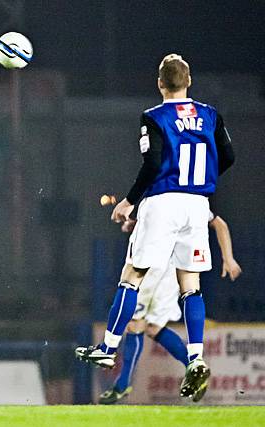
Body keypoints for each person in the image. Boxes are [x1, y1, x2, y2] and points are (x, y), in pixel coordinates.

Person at [75, 54, 235, 400]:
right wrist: (201, 180)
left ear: (160, 83)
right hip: (197, 204)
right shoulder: (210, 115)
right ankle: (195, 358)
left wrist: (129, 201)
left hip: (163, 202)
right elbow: (229, 156)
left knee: (131, 276)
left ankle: (108, 346)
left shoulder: (155, 117)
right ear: (188, 80)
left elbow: (152, 164)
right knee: (191, 286)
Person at [99, 212, 242, 404]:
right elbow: (219, 223)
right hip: (171, 271)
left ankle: (123, 385)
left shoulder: (168, 194)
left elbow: (218, 224)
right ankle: (194, 369)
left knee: (136, 325)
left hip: (158, 271)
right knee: (151, 327)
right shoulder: (192, 198)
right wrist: (228, 258)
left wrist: (229, 258)